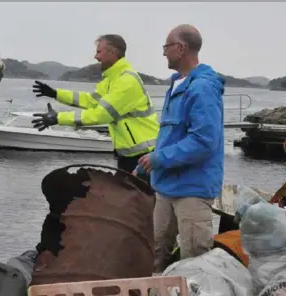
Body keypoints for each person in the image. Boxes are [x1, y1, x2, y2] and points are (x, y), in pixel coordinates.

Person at [134, 24, 225, 272]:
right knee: (155, 251)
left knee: (194, 261)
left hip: (192, 191)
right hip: (166, 187)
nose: (163, 52)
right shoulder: (176, 85)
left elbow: (204, 142)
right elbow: (170, 135)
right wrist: (146, 164)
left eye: (166, 46)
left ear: (181, 48)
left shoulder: (202, 87)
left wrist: (159, 158)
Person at [31, 34, 160, 173]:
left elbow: (101, 115)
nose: (95, 57)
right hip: (128, 156)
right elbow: (91, 101)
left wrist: (57, 118)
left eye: (99, 52)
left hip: (145, 155)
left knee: (143, 195)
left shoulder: (126, 81)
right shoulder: (112, 80)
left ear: (111, 53)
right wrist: (55, 94)